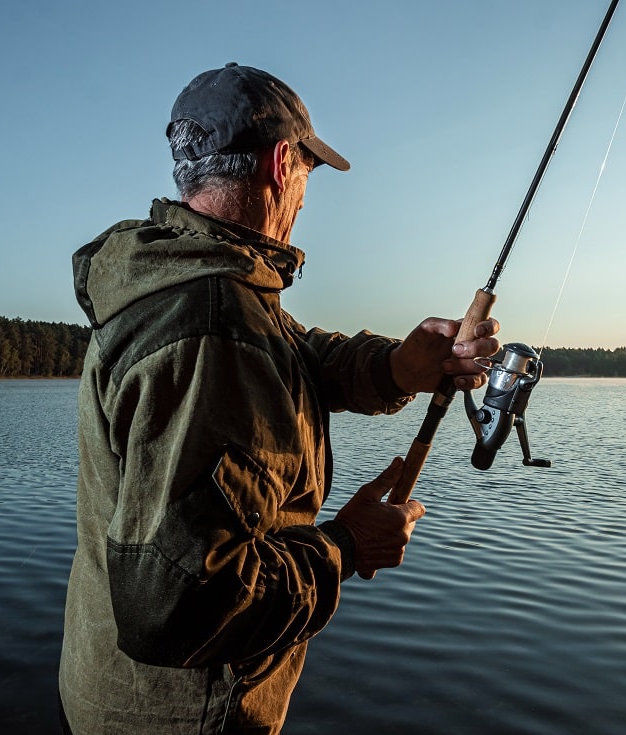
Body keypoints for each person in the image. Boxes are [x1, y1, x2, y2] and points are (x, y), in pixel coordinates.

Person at [58, 62, 500, 734]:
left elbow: (299, 353)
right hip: (184, 719)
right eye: (307, 174)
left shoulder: (195, 280)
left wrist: (401, 366)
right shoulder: (210, 324)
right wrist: (346, 546)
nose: (304, 197)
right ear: (279, 161)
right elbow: (176, 606)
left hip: (112, 698)